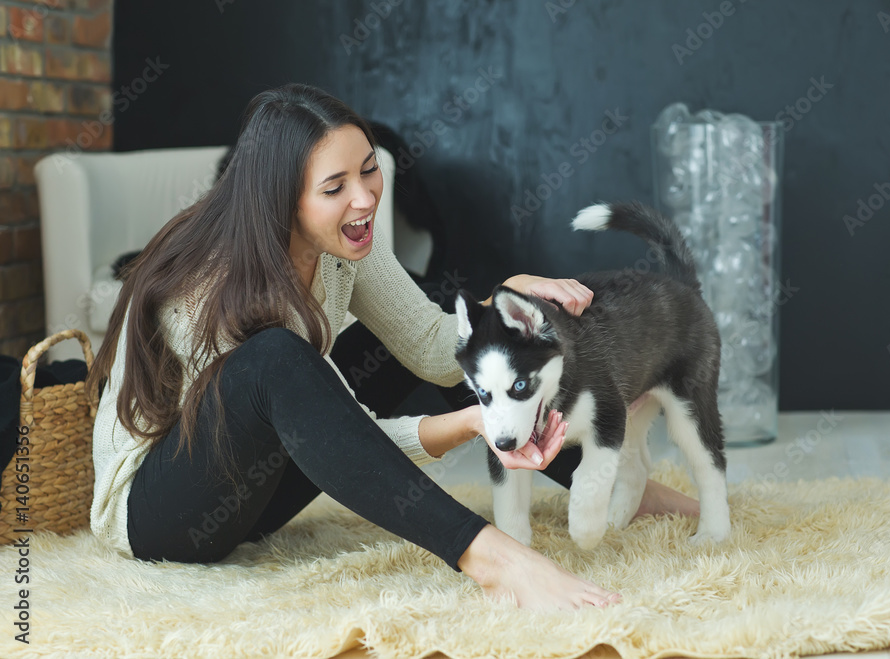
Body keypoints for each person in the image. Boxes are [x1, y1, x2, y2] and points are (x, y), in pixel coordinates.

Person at [84, 83, 699, 611]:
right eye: (335, 187)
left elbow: (433, 350)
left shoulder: (351, 242)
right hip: (164, 514)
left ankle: (619, 483)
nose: (365, 198)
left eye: (369, 169)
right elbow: (339, 430)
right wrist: (465, 425)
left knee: (472, 343)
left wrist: (500, 299)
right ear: (281, 201)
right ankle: (491, 558)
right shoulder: (211, 288)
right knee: (277, 360)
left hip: (258, 494)